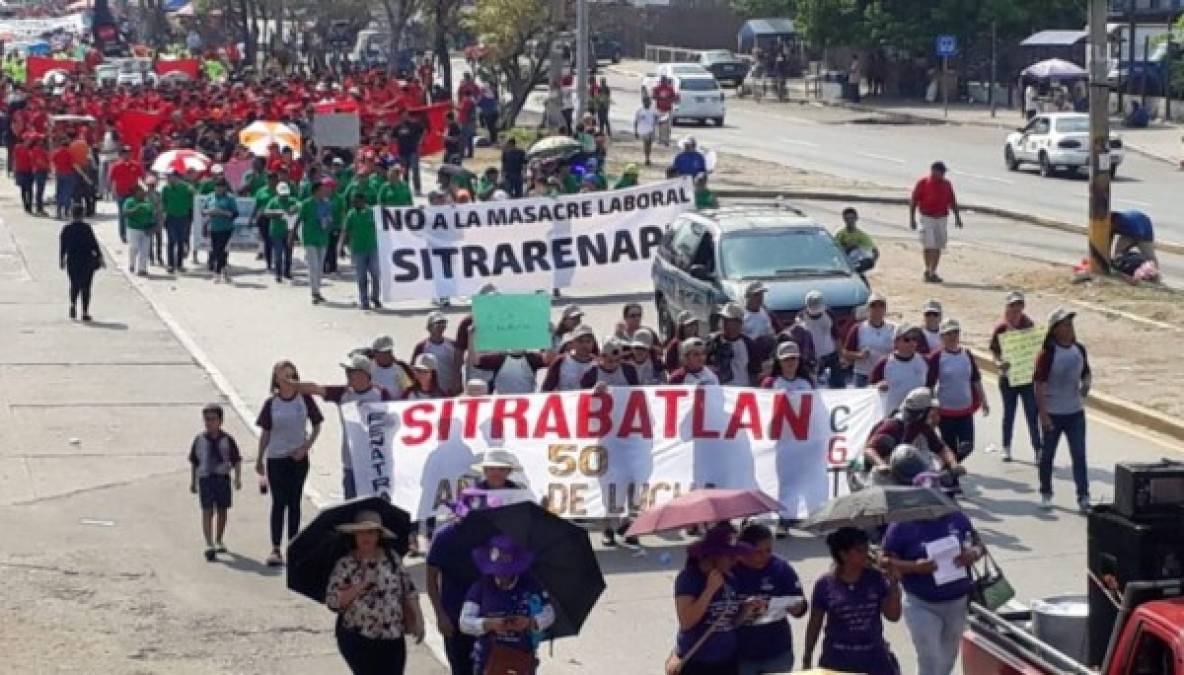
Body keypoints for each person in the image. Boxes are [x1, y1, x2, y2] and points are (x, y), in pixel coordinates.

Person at [882, 509, 982, 675]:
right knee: (930, 657)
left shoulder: (957, 518)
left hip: (957, 602)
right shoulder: (901, 525)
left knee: (947, 659)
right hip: (920, 603)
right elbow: (884, 561)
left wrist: (973, 553)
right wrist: (915, 567)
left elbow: (979, 544)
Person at [326, 510, 425, 675]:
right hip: (358, 637)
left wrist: (419, 620)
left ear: (379, 535)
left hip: (393, 635)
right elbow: (333, 601)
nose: (366, 537)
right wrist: (361, 584)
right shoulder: (346, 564)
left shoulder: (392, 558)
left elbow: (408, 589)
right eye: (361, 532)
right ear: (354, 535)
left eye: (370, 532)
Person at [291, 354, 394, 499]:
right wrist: (291, 385)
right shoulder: (343, 394)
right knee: (351, 508)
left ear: (363, 374)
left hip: (376, 464)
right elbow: (316, 389)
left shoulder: (381, 394)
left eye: (350, 371)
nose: (347, 375)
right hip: (351, 464)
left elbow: (394, 421)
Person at [802, 527, 901, 674]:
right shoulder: (824, 584)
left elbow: (893, 616)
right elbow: (815, 622)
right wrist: (808, 654)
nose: (866, 555)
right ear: (843, 555)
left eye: (867, 549)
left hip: (874, 658)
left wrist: (893, 585)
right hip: (837, 659)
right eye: (860, 551)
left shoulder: (876, 579)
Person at [255, 360, 323, 567]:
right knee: (279, 502)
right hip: (277, 458)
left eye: (289, 374)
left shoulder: (304, 399)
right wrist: (259, 458)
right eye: (281, 375)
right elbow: (266, 432)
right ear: (275, 379)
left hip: (298, 458)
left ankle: (294, 545)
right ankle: (275, 548)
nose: (285, 379)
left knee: (295, 502)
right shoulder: (271, 403)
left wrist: (305, 446)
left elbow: (317, 424)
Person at [459, 535, 556, 675]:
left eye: (506, 571)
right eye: (497, 571)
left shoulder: (530, 585)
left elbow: (549, 613)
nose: (501, 576)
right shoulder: (481, 586)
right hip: (487, 659)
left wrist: (530, 622)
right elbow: (464, 622)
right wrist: (489, 624)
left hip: (522, 659)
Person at [671, 524, 758, 675]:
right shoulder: (689, 578)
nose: (735, 561)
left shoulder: (730, 578)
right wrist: (709, 591)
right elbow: (686, 621)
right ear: (714, 555)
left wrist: (745, 610)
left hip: (727, 661)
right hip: (697, 663)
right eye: (730, 556)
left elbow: (729, 622)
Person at [1035, 307, 1092, 513]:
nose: (1069, 328)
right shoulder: (1047, 355)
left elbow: (1086, 372)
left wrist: (1086, 384)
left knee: (1079, 455)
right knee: (1047, 455)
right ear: (1055, 330)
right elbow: (1039, 385)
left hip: (1075, 413)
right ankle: (1046, 492)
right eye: (1065, 324)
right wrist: (1043, 415)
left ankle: (1083, 497)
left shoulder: (1079, 350)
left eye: (1070, 324)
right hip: (1053, 413)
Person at [734, 524, 807, 675]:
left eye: (769, 550)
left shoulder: (781, 568)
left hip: (777, 652)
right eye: (758, 552)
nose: (765, 556)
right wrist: (744, 609)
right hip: (740, 654)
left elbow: (801, 603)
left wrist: (798, 608)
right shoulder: (730, 570)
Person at [926, 318, 989, 462]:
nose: (953, 336)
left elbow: (975, 379)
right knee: (950, 447)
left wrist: (984, 400)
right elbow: (929, 385)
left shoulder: (966, 354)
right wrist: (931, 409)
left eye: (955, 332)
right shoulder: (937, 357)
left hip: (965, 410)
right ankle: (950, 473)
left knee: (968, 446)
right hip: (945, 412)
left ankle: (949, 468)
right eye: (948, 333)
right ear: (942, 337)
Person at [989, 291, 1041, 463]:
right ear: (1007, 307)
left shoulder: (1028, 325)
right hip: (1008, 377)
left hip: (1025, 377)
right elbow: (994, 351)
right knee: (1009, 413)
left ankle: (1038, 450)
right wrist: (998, 363)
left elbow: (1034, 348)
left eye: (1019, 305)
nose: (1016, 309)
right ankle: (1006, 447)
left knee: (1031, 413)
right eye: (1012, 305)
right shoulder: (1001, 328)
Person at [864, 387, 962, 477]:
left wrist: (954, 464)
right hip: (886, 476)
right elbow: (869, 449)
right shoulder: (892, 425)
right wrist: (881, 465)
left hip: (914, 476)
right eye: (931, 410)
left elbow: (942, 448)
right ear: (923, 412)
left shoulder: (923, 427)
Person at [188, 403, 242, 562]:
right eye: (206, 419)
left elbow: (236, 460)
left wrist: (237, 478)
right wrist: (193, 481)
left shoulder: (227, 440)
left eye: (212, 419)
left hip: (222, 477)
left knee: (222, 510)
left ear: (220, 421)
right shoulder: (199, 440)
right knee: (207, 510)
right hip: (206, 478)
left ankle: (219, 539)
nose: (209, 422)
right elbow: (194, 461)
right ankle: (209, 542)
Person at [909, 161, 963, 283]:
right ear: (934, 171)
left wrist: (957, 218)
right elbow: (914, 201)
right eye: (941, 172)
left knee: (938, 245)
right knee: (929, 245)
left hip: (942, 218)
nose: (943, 175)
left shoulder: (947, 184)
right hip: (927, 217)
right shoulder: (923, 183)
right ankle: (928, 270)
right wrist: (912, 219)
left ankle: (932, 271)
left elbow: (952, 201)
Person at [871, 324, 929, 414]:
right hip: (892, 415)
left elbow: (930, 386)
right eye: (907, 339)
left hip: (918, 416)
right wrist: (877, 386)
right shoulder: (884, 363)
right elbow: (870, 390)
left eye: (914, 339)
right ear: (896, 342)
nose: (912, 343)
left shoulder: (924, 361)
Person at [59, 204, 103, 321]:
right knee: (86, 286)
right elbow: (94, 244)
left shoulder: (66, 229)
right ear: (82, 214)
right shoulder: (87, 228)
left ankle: (73, 304)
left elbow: (63, 246)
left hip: (72, 260)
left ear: (71, 214)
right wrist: (99, 256)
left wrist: (61, 259)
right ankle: (84, 312)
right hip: (86, 260)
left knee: (74, 284)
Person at [843, 293, 896, 387]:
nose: (877, 309)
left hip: (885, 375)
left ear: (885, 309)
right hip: (862, 375)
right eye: (873, 306)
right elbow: (846, 353)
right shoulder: (858, 328)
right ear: (868, 309)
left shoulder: (892, 329)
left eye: (881, 305)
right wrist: (859, 355)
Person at [341, 191, 382, 311]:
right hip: (358, 249)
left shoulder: (372, 212)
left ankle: (375, 297)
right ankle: (364, 300)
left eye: (357, 201)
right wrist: (341, 246)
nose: (354, 203)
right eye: (353, 201)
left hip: (372, 247)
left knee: (375, 274)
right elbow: (345, 231)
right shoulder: (351, 214)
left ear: (363, 201)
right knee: (361, 277)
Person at [796, 290, 846, 388]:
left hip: (831, 356)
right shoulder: (800, 317)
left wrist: (841, 356)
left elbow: (836, 336)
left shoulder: (829, 314)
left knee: (837, 385)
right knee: (813, 385)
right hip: (811, 358)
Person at [708, 303, 761, 387]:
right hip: (718, 389)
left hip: (741, 390)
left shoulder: (749, 345)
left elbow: (754, 373)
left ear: (739, 323)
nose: (724, 323)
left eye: (729, 320)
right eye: (723, 319)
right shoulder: (713, 341)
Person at [299, 179, 333, 304]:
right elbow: (300, 219)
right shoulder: (306, 204)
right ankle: (315, 292)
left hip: (322, 238)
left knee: (320, 267)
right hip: (310, 238)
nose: (325, 191)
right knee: (313, 266)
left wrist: (327, 221)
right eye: (323, 189)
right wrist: (293, 235)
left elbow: (330, 218)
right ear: (316, 191)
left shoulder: (327, 204)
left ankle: (317, 290)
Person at [412, 312, 463, 396]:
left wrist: (457, 384)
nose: (441, 326)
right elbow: (414, 369)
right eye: (438, 323)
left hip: (450, 389)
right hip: (431, 391)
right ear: (429, 327)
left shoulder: (453, 345)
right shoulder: (421, 347)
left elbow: (459, 366)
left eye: (443, 323)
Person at [542, 324, 599, 391]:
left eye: (588, 341)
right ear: (573, 343)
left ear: (593, 343)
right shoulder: (561, 361)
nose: (585, 345)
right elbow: (546, 389)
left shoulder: (598, 364)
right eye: (580, 341)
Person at [204, 180, 239, 283]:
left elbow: (235, 214)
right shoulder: (210, 197)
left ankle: (217, 272)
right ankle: (224, 270)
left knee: (221, 248)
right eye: (217, 187)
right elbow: (203, 210)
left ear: (225, 188)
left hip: (226, 228)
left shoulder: (230, 198)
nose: (219, 189)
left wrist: (222, 212)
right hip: (214, 227)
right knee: (216, 250)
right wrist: (210, 212)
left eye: (221, 187)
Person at [160, 171, 195, 274]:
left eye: (170, 177)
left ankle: (179, 264)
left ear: (176, 177)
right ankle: (170, 264)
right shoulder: (165, 188)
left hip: (183, 217)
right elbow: (163, 202)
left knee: (180, 241)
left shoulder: (186, 187)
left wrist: (193, 191)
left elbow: (195, 197)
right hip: (170, 218)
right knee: (171, 241)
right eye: (167, 177)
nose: (168, 179)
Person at [123, 183, 156, 277]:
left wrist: (152, 225)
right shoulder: (129, 201)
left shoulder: (147, 202)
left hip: (146, 229)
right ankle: (132, 263)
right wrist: (136, 208)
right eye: (140, 191)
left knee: (145, 250)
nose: (142, 193)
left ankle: (142, 269)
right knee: (134, 247)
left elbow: (152, 214)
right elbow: (125, 213)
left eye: (143, 191)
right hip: (133, 229)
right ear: (135, 192)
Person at [370, 335, 414, 400]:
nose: (386, 355)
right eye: (383, 352)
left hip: (395, 405)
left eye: (388, 352)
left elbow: (408, 389)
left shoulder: (398, 369)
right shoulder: (368, 368)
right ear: (375, 353)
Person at [651, 76, 677, 147]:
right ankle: (659, 140)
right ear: (661, 81)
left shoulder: (670, 88)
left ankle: (666, 141)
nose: (664, 82)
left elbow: (674, 97)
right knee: (659, 126)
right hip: (659, 109)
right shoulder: (657, 88)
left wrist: (670, 98)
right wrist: (661, 97)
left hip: (668, 109)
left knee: (667, 126)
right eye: (663, 81)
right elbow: (653, 96)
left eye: (665, 81)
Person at [634, 98, 659, 166]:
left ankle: (648, 157)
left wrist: (655, 122)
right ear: (643, 102)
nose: (648, 103)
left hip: (651, 129)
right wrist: (636, 131)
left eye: (649, 102)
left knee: (649, 145)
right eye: (646, 102)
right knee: (646, 143)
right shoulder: (639, 110)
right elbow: (636, 121)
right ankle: (646, 159)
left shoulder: (653, 109)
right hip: (643, 130)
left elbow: (657, 117)